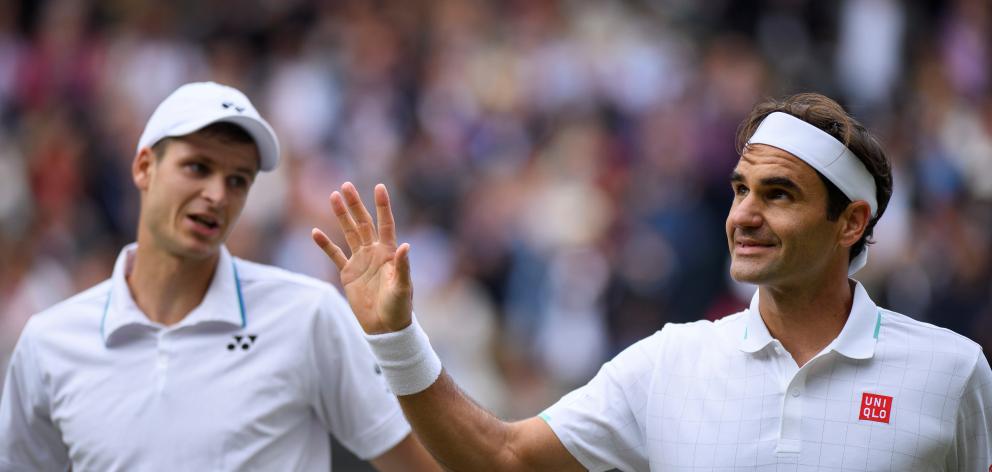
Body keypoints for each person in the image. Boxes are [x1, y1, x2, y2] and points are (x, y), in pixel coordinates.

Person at [312, 93, 992, 471]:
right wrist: (395, 339)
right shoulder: (671, 361)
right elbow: (502, 460)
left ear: (850, 223)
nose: (744, 216)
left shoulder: (952, 371)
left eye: (778, 194)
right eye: (740, 190)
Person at [0, 82, 440, 471]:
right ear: (143, 168)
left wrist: (400, 340)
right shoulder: (48, 342)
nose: (216, 195)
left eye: (237, 180)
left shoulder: (309, 315)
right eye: (197, 168)